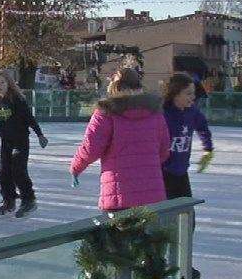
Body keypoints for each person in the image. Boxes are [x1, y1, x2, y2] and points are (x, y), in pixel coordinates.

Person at [70, 68, 171, 212]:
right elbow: (164, 150)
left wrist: (76, 167)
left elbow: (90, 148)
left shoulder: (105, 113)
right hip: (152, 194)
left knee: (118, 233)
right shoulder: (155, 113)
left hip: (119, 196)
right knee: (149, 234)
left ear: (113, 86)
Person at [162, 72, 214, 279]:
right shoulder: (162, 114)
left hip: (180, 174)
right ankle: (157, 264)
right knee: (162, 222)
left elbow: (203, 128)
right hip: (161, 174)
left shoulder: (192, 113)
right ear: (175, 94)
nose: (193, 97)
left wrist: (208, 150)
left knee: (187, 221)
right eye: (188, 93)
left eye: (193, 93)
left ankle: (181, 263)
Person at [0, 70, 49, 218]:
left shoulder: (17, 100)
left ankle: (29, 200)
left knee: (18, 170)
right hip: (6, 141)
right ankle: (9, 200)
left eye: (2, 82)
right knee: (4, 173)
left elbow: (29, 118)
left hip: (21, 141)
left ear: (9, 84)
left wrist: (40, 134)